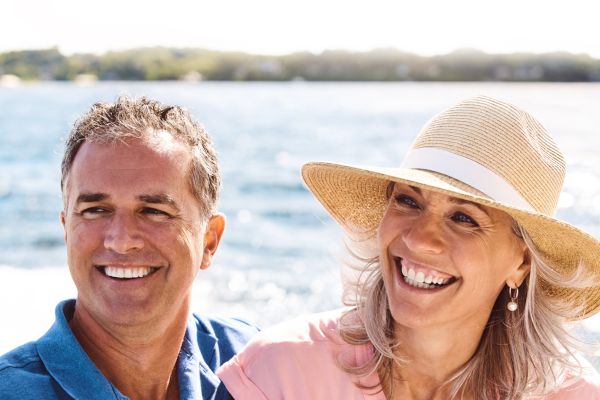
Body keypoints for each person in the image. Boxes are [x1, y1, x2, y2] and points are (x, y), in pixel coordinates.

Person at [218, 96, 600, 399]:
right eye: (407, 202)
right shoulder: (280, 371)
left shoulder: (574, 395)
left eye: (464, 218)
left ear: (521, 262)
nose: (418, 239)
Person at [0, 96, 258, 399]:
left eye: (154, 211)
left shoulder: (257, 363)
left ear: (209, 241)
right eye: (95, 210)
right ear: (66, 230)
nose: (121, 241)